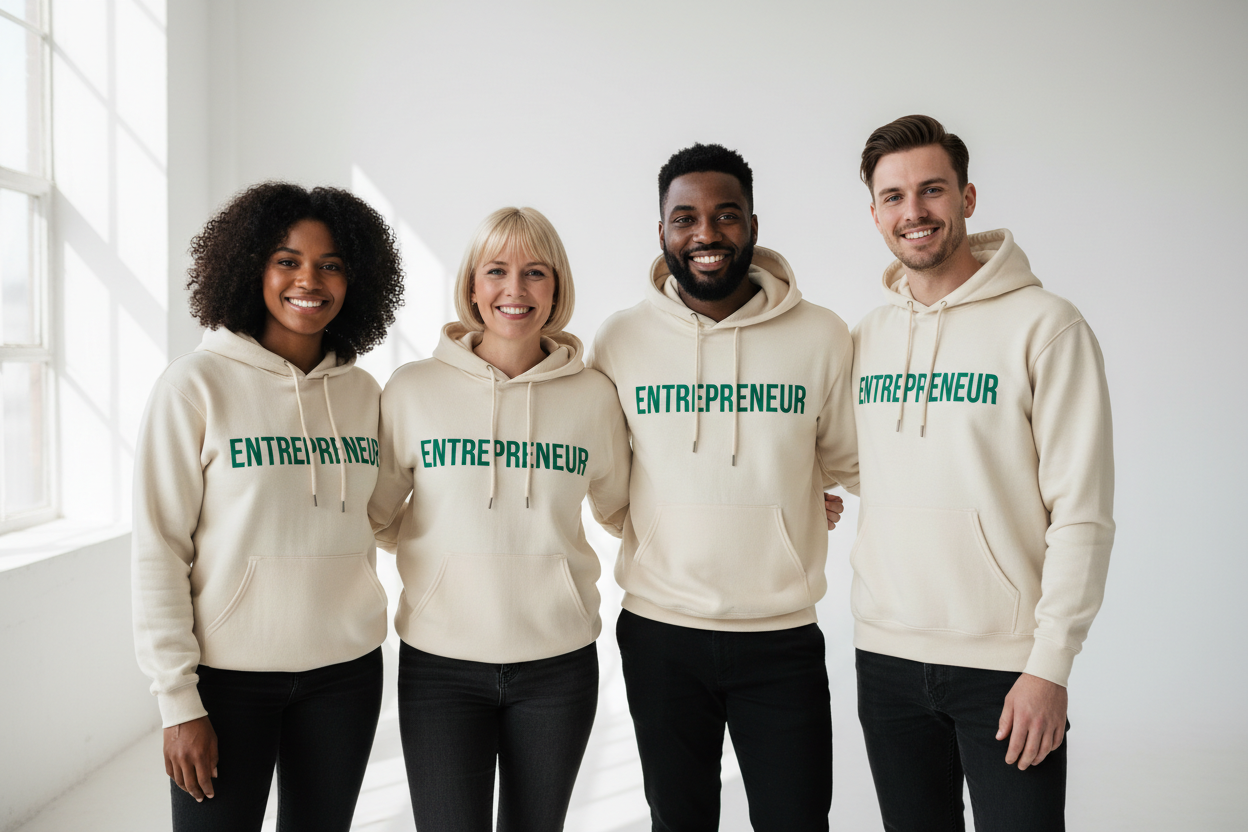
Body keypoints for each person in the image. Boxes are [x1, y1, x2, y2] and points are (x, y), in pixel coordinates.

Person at [845, 114, 1115, 831]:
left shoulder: (1046, 326)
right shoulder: (867, 337)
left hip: (1008, 665)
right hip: (887, 657)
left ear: (967, 197)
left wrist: (1050, 664)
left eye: (931, 190)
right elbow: (855, 460)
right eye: (894, 197)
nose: (915, 212)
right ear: (874, 212)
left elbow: (1082, 511)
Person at [589, 144, 858, 831]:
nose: (706, 234)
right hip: (660, 635)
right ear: (662, 233)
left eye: (725, 215)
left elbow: (844, 457)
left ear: (753, 225)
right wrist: (686, 523)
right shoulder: (620, 341)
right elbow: (609, 482)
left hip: (781, 636)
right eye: (686, 218)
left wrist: (788, 503)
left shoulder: (822, 335)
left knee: (795, 820)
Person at [132, 182, 405, 831]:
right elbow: (158, 549)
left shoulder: (364, 393)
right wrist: (179, 703)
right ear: (250, 266)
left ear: (356, 278)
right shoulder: (193, 386)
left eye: (331, 263)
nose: (309, 279)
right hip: (228, 682)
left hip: (345, 675)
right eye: (287, 259)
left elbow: (383, 516)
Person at [368, 206, 631, 832]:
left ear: (557, 287)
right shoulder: (412, 390)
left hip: (558, 666)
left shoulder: (594, 396)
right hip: (439, 667)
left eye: (535, 272)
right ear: (473, 286)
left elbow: (623, 509)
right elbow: (375, 515)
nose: (515, 290)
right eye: (497, 271)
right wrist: (452, 562)